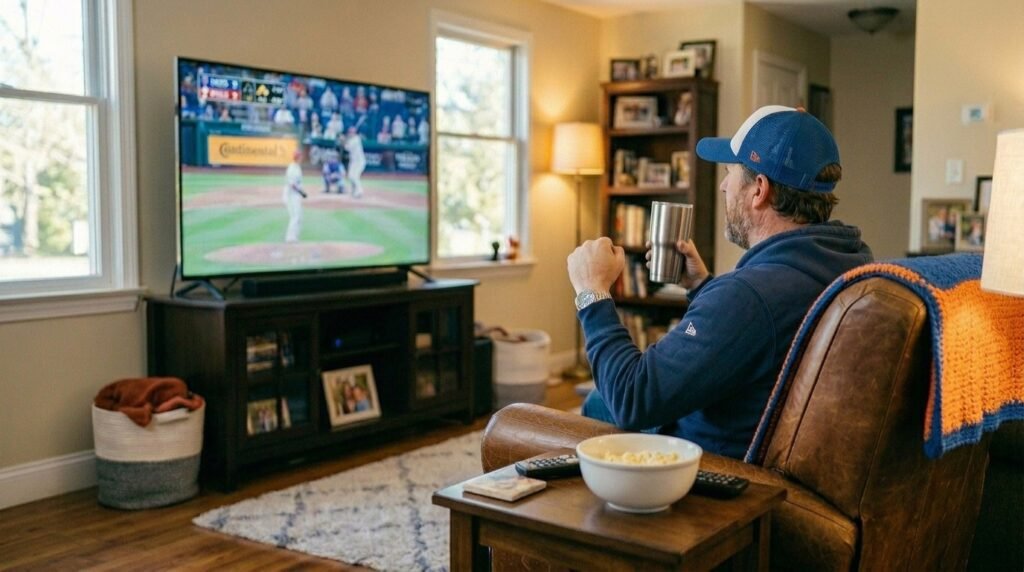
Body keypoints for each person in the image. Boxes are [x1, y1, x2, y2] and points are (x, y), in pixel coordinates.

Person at [566, 105, 873, 459]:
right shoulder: (850, 260)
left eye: (730, 172)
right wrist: (703, 287)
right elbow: (757, 335)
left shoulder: (748, 297)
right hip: (761, 436)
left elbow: (632, 398)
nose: (725, 186)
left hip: (707, 461)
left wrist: (593, 294)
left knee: (599, 401)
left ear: (759, 190)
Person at [282, 148, 307, 242]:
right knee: (295, 216)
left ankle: (295, 236)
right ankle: (290, 237)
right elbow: (292, 185)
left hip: (295, 195)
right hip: (290, 195)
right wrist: (302, 192)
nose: (302, 158)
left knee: (299, 216)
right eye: (300, 156)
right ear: (298, 157)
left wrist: (300, 192)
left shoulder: (297, 167)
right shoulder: (292, 168)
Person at [343, 126, 366, 198]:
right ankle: (353, 191)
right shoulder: (351, 139)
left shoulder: (356, 139)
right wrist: (345, 140)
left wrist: (344, 140)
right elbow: (346, 147)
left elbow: (348, 148)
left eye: (352, 132)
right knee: (350, 176)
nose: (350, 133)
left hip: (359, 162)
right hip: (353, 161)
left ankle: (359, 191)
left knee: (355, 176)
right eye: (350, 132)